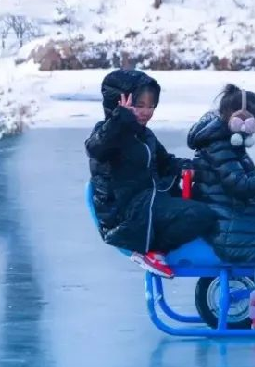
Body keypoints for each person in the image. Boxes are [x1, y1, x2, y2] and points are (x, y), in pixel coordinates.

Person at [186, 84, 255, 330]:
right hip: (223, 216)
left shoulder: (226, 142)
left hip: (227, 208)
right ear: (233, 119)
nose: (250, 127)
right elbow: (238, 184)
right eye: (248, 120)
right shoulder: (219, 146)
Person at [86, 69, 219, 279]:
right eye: (139, 106)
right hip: (125, 215)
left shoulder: (145, 135)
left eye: (151, 105)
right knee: (200, 215)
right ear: (118, 104)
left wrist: (199, 167)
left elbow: (166, 163)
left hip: (148, 204)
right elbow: (94, 149)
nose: (147, 112)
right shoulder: (108, 133)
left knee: (207, 203)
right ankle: (154, 251)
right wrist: (120, 119)